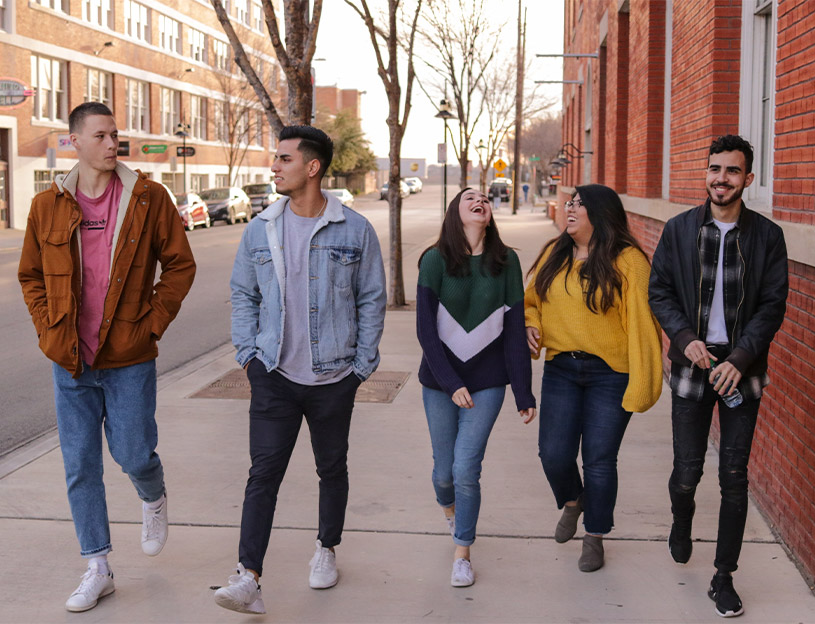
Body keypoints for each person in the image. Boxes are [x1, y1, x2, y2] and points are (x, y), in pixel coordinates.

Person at [17, 102, 196, 612]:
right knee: (79, 465)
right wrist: (48, 327)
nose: (112, 143)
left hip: (129, 356)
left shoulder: (147, 198)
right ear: (74, 141)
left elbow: (180, 266)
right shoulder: (47, 205)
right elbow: (31, 275)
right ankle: (97, 565)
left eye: (115, 134)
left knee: (134, 453)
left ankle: (153, 495)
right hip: (70, 359)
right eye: (100, 135)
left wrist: (152, 323)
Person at [214, 125, 386, 614]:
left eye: (284, 159)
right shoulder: (260, 227)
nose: (274, 167)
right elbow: (244, 294)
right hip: (273, 374)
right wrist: (248, 356)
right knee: (263, 473)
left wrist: (361, 366)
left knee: (331, 468)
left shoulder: (355, 230)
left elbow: (371, 298)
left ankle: (326, 549)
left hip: (335, 377)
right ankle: (248, 577)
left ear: (311, 167)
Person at [649, 135, 788, 618]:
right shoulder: (680, 230)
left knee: (734, 476)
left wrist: (742, 357)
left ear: (747, 179)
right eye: (714, 169)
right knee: (686, 472)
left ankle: (723, 577)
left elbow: (772, 305)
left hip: (740, 369)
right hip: (693, 363)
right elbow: (660, 291)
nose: (720, 178)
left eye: (731, 171)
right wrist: (684, 337)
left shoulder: (767, 236)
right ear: (705, 173)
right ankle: (681, 519)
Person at [525, 184, 662, 572]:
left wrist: (643, 382)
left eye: (579, 204)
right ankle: (573, 501)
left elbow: (643, 325)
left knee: (599, 460)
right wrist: (530, 325)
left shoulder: (629, 261)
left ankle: (595, 535)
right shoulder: (555, 253)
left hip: (611, 374)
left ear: (599, 213)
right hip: (561, 368)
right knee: (553, 454)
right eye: (569, 202)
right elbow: (531, 301)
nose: (569, 208)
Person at [417, 188, 536, 587]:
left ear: (489, 214)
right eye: (469, 197)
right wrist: (450, 384)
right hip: (439, 382)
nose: (479, 200)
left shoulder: (507, 262)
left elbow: (516, 332)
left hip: (487, 383)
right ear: (456, 212)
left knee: (466, 469)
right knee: (443, 474)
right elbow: (426, 333)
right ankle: (452, 512)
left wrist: (523, 391)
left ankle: (462, 551)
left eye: (485, 197)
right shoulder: (434, 260)